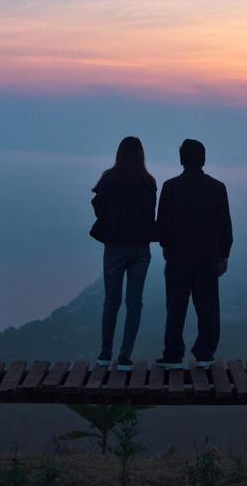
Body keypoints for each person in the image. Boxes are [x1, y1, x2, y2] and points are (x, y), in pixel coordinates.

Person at [154, 138, 233, 368]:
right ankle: (205, 354)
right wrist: (224, 255)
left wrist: (167, 248)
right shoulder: (217, 188)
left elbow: (163, 225)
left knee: (176, 307)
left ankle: (173, 354)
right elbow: (225, 226)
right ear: (204, 159)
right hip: (207, 257)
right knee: (208, 307)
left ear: (181, 160)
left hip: (177, 257)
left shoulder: (170, 187)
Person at [90, 136, 157, 371]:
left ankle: (105, 353)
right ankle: (125, 356)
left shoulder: (109, 178)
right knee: (134, 303)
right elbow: (150, 214)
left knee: (111, 301)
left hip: (115, 246)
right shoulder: (148, 182)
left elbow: (98, 208)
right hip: (139, 247)